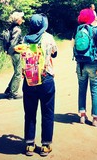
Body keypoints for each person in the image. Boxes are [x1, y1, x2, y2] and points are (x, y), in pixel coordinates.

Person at [16, 14, 57, 157]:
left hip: (30, 80)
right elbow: (55, 53)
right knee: (47, 112)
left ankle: (29, 145)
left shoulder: (25, 39)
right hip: (46, 79)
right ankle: (45, 146)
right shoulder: (49, 37)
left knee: (30, 112)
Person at [73, 8, 97, 127]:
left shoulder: (77, 30)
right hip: (93, 64)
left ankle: (82, 116)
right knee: (95, 91)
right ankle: (95, 119)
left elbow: (73, 45)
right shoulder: (95, 30)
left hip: (80, 64)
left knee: (82, 89)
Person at [4, 11, 24, 100]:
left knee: (17, 71)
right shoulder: (17, 29)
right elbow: (13, 43)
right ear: (17, 19)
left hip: (12, 52)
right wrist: (15, 51)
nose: (22, 20)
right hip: (15, 52)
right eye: (21, 18)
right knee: (18, 72)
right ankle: (13, 93)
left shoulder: (12, 27)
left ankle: (9, 89)